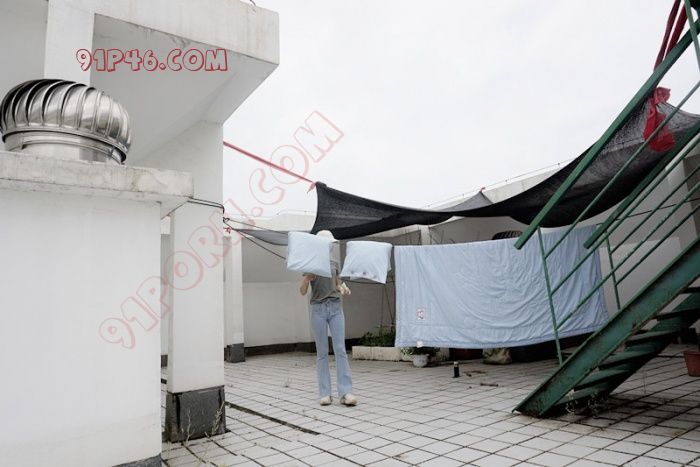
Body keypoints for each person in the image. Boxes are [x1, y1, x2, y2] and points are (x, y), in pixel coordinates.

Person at [299, 230, 357, 407]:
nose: (329, 246)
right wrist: (307, 279)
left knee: (340, 349)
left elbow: (338, 284)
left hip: (335, 307)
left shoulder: (334, 263)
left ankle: (346, 392)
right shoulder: (310, 263)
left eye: (330, 244)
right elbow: (302, 291)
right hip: (318, 309)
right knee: (322, 352)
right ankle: (325, 393)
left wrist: (344, 289)